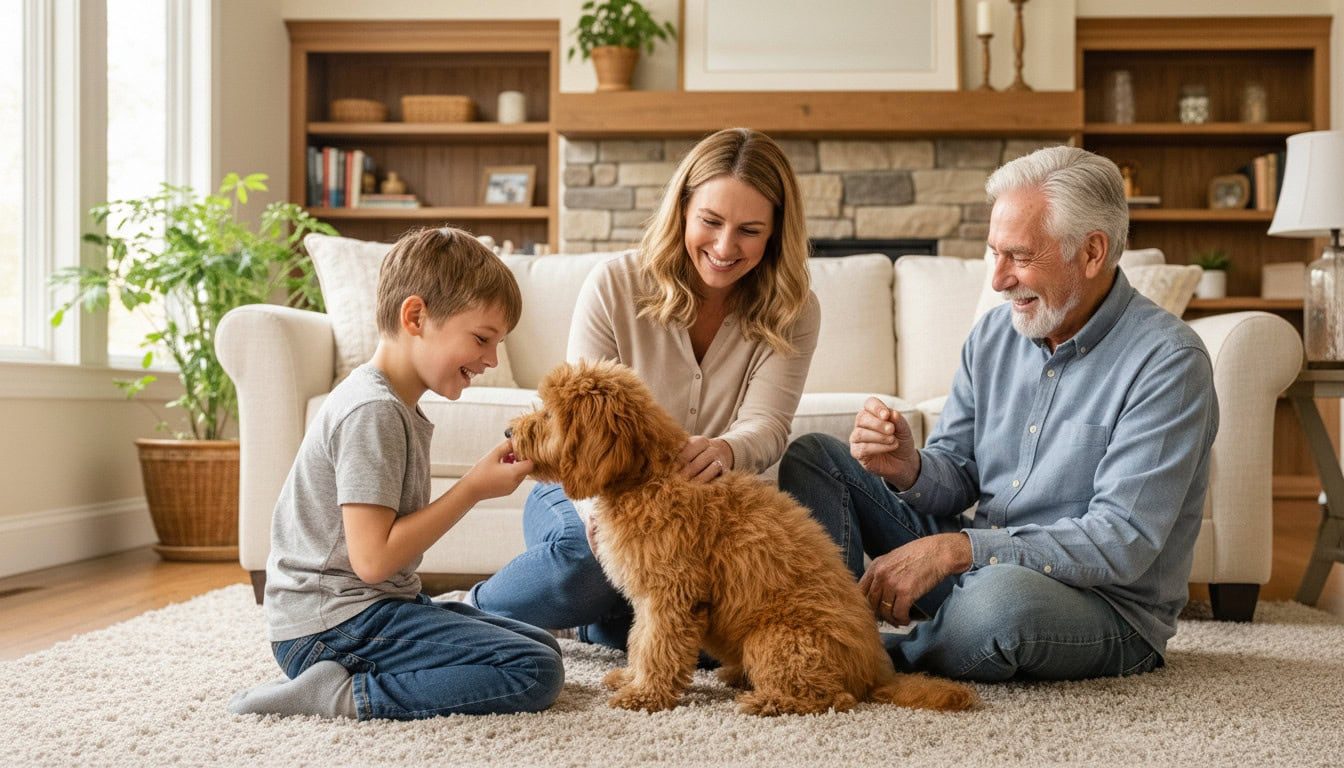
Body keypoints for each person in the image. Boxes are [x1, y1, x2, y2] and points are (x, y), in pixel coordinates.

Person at [780, 146, 1219, 682]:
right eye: (995, 254)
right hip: (982, 568)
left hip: (1098, 604)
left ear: (1092, 252)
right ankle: (820, 626)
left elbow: (1119, 541)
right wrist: (905, 466)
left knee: (1001, 608)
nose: (998, 280)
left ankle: (858, 657)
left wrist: (958, 550)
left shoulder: (1168, 362)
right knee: (816, 458)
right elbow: (958, 473)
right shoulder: (994, 334)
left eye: (1020, 256)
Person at [452, 127, 820, 650]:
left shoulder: (794, 309)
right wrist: (603, 520)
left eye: (749, 230)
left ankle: (601, 626)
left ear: (776, 234)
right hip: (587, 484)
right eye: (710, 222)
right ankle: (464, 613)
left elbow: (768, 424)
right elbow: (571, 416)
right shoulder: (615, 284)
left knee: (706, 616)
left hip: (697, 508)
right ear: (684, 210)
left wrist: (726, 448)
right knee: (590, 564)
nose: (723, 246)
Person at [228, 227, 563, 719]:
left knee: (540, 644)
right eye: (481, 338)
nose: (491, 360)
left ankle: (364, 671)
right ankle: (340, 694)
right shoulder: (373, 412)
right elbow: (374, 560)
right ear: (415, 316)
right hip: (329, 626)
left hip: (364, 610)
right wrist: (472, 489)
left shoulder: (392, 406)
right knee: (534, 670)